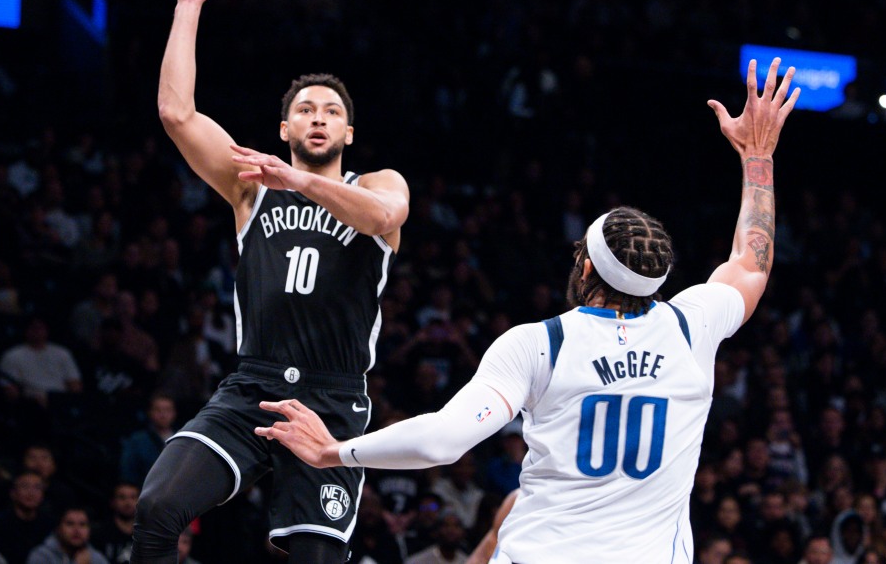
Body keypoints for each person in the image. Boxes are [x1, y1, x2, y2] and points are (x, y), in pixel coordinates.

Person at [255, 58, 800, 563]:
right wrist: (758, 158)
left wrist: (335, 452)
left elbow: (443, 439)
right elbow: (751, 262)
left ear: (585, 268)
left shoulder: (539, 344)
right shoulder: (691, 326)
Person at [131, 0, 410, 564]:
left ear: (348, 132)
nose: (318, 117)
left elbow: (387, 215)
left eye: (331, 111)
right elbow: (177, 114)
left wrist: (305, 182)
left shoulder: (376, 184)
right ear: (284, 128)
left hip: (333, 398)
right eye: (305, 109)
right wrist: (189, 2)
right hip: (251, 385)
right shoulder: (249, 185)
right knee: (156, 508)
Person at [27, 507, 109, 564]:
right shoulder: (41, 556)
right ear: (58, 529)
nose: (77, 530)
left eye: (82, 524)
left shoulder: (95, 558)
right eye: (70, 524)